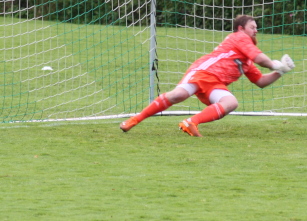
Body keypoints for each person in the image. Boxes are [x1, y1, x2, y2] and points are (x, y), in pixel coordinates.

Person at [120, 14, 295, 137]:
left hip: (215, 83)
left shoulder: (247, 60)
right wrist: (275, 64)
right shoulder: (239, 37)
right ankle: (134, 120)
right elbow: (261, 59)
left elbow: (261, 81)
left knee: (231, 103)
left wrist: (280, 71)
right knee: (177, 95)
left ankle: (190, 123)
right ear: (241, 29)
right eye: (252, 27)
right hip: (203, 72)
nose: (256, 31)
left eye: (257, 28)